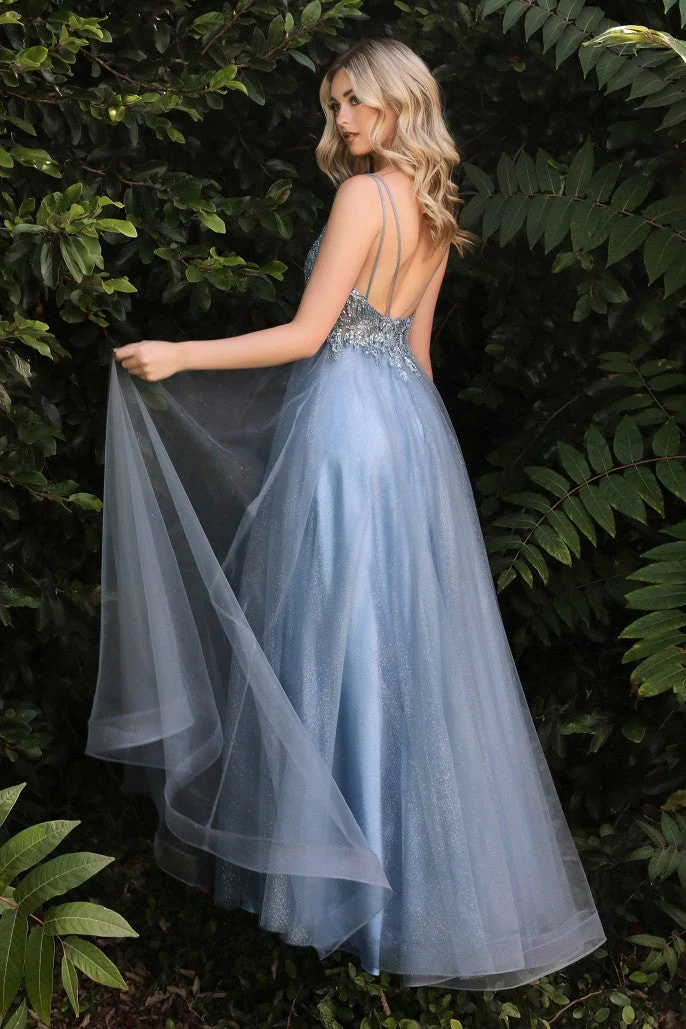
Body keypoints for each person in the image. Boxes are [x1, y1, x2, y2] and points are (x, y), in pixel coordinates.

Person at [86, 37, 607, 990]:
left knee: (339, 643)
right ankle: (407, 899)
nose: (341, 120)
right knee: (398, 655)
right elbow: (420, 359)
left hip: (346, 431)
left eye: (355, 102)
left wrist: (180, 353)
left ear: (400, 102)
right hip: (408, 434)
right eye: (333, 106)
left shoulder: (364, 197)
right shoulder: (436, 207)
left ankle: (347, 898)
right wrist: (432, 473)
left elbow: (305, 335)